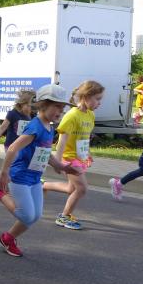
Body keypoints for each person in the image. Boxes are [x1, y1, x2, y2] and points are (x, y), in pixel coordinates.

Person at [0, 84, 79, 258]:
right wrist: (4, 173)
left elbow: (45, 153)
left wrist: (61, 166)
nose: (60, 111)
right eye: (57, 106)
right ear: (43, 105)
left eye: (62, 108)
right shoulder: (35, 127)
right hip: (19, 176)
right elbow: (12, 148)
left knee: (35, 216)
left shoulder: (49, 127)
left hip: (34, 177)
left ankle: (7, 239)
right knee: (26, 216)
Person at [42, 81, 105, 230]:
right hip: (69, 158)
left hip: (80, 157)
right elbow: (62, 141)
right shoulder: (71, 116)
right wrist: (58, 162)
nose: (99, 103)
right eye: (97, 99)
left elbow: (84, 137)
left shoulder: (90, 115)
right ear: (86, 96)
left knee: (71, 189)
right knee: (82, 189)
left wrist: (87, 153)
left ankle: (43, 185)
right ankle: (63, 217)